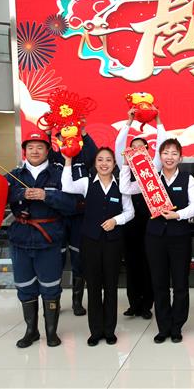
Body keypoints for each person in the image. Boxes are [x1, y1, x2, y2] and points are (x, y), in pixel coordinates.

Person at [120, 138, 194, 343]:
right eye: (165, 153)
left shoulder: (188, 179)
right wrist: (127, 165)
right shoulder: (151, 179)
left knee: (180, 283)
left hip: (180, 238)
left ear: (180, 158)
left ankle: (177, 326)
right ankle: (163, 327)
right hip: (155, 238)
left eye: (174, 153)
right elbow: (125, 188)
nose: (169, 157)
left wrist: (178, 215)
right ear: (159, 156)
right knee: (159, 283)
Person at [7, 129, 79, 348]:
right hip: (20, 240)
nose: (35, 151)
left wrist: (47, 195)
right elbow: (1, 198)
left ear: (48, 150)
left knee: (50, 286)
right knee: (24, 286)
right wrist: (21, 194)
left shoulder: (60, 174)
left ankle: (51, 332)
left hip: (49, 240)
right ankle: (31, 331)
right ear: (25, 151)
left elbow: (72, 205)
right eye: (30, 147)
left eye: (40, 147)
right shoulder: (13, 175)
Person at [61, 147, 134, 346]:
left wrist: (116, 220)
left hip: (113, 242)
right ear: (95, 163)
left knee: (110, 286)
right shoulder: (86, 183)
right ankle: (95, 331)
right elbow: (66, 186)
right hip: (90, 242)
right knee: (93, 287)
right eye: (100, 160)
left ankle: (109, 330)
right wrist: (68, 161)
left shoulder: (121, 186)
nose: (104, 163)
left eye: (108, 160)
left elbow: (130, 212)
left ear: (114, 164)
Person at [115, 110, 166, 320]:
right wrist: (129, 121)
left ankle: (147, 305)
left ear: (147, 150)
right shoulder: (124, 165)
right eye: (133, 147)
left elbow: (162, 142)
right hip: (129, 223)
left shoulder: (153, 167)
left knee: (148, 264)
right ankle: (133, 303)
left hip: (150, 224)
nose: (137, 150)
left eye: (141, 147)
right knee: (131, 264)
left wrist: (158, 119)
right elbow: (119, 143)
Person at [48, 123, 97, 317]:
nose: (68, 139)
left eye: (72, 136)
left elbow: (94, 153)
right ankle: (55, 301)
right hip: (57, 217)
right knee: (55, 260)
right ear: (59, 139)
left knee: (79, 260)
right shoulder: (54, 159)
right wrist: (47, 130)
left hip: (79, 217)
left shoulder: (84, 157)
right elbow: (42, 149)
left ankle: (77, 301)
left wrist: (83, 132)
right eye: (63, 136)